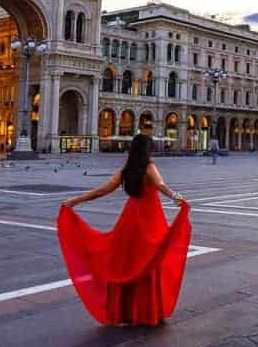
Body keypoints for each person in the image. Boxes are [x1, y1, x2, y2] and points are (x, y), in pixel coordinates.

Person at [58, 134, 191, 326]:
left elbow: (102, 190)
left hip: (129, 220)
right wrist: (175, 196)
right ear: (147, 149)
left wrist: (75, 201)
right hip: (150, 219)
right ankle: (146, 312)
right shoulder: (149, 167)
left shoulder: (126, 170)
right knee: (149, 263)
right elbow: (160, 185)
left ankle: (126, 311)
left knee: (127, 262)